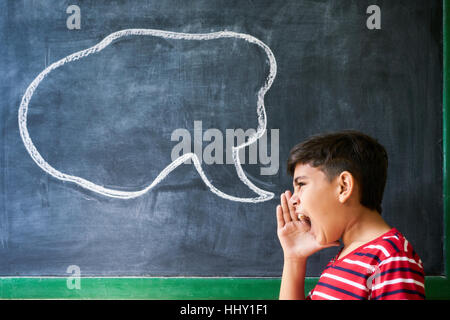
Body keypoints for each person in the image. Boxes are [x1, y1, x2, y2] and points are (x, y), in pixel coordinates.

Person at [277, 130, 425, 300]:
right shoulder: (344, 259)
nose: (293, 199)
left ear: (344, 187)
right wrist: (293, 258)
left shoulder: (391, 259)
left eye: (301, 184)